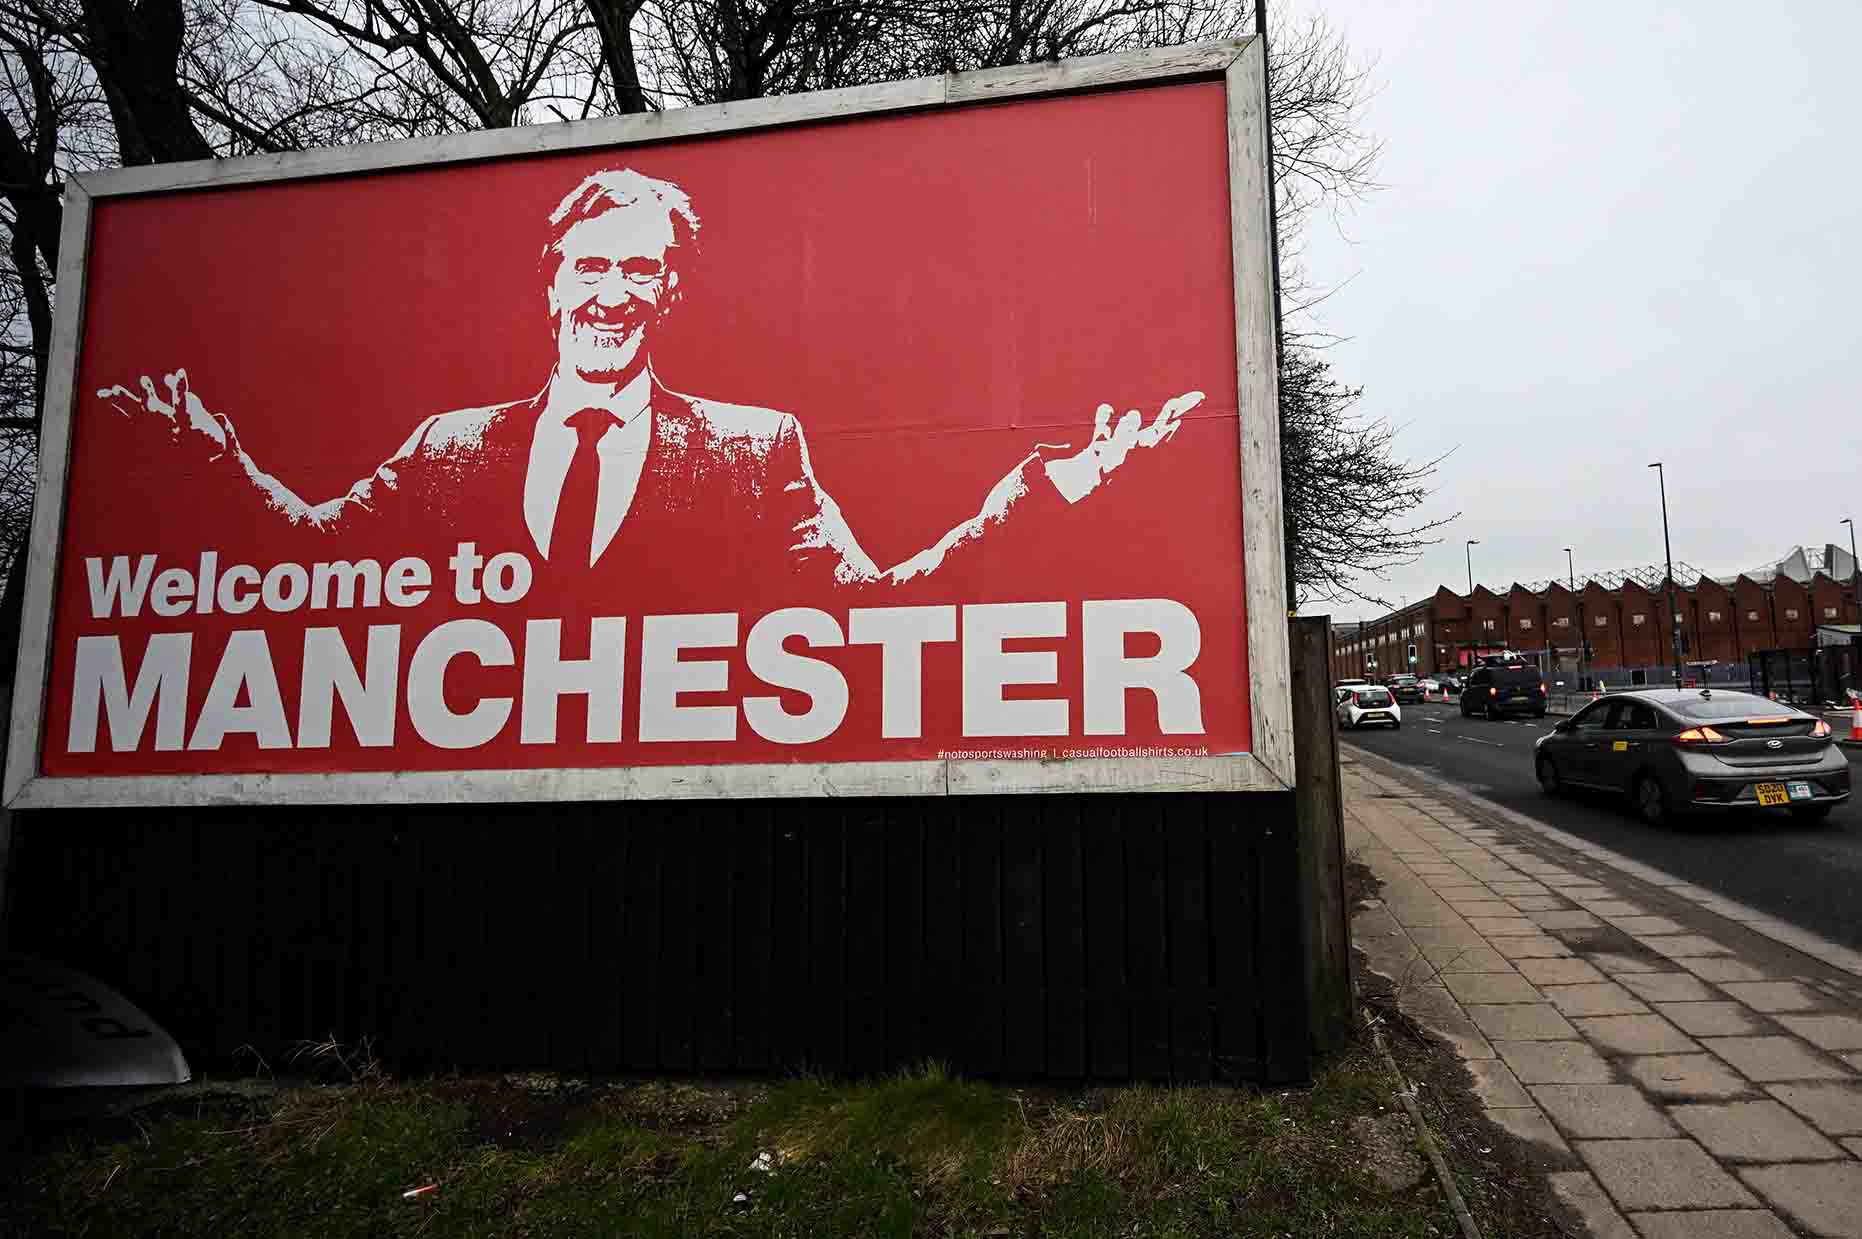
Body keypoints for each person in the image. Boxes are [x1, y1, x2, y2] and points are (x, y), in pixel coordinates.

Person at [100, 167, 1199, 595]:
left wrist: (1041, 492)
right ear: (549, 285)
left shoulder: (752, 445)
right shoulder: (449, 446)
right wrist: (210, 455)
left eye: (640, 269)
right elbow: (311, 567)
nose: (610, 291)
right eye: (590, 265)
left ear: (670, 295)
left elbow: (872, 606)